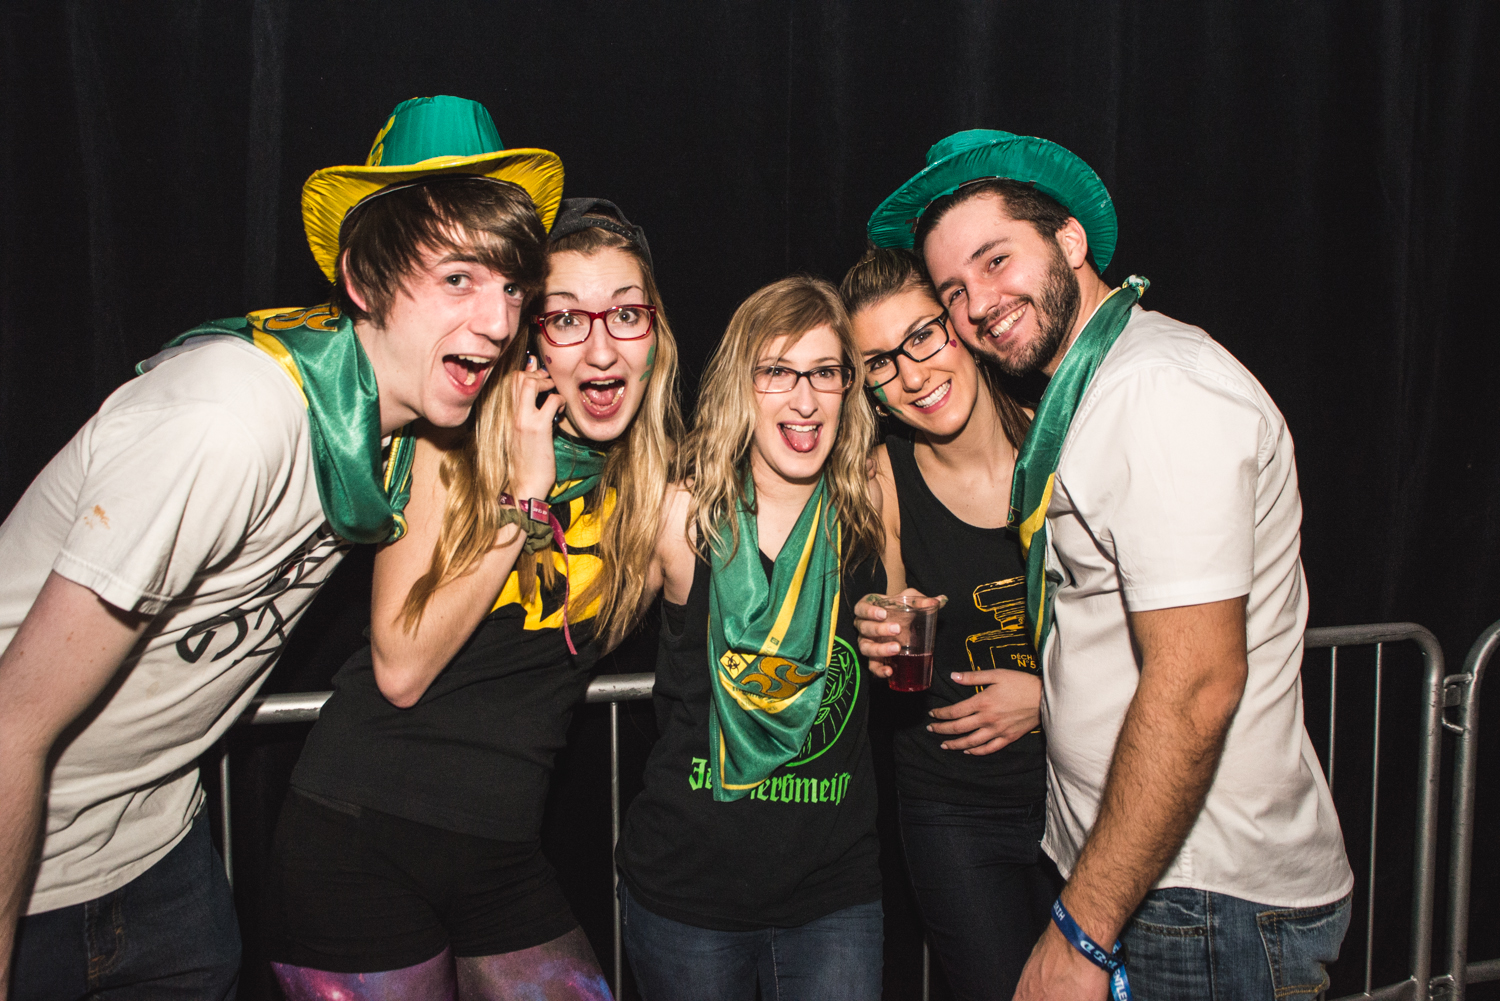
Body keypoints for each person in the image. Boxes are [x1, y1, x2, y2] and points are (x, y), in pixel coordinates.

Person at [0, 94, 561, 1000]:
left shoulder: (390, 434)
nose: (500, 321)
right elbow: (8, 725)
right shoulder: (231, 418)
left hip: (163, 866)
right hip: (24, 878)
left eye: (511, 285)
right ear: (363, 280)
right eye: (459, 278)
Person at [858, 129, 1354, 1001]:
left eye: (996, 259)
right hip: (1151, 885)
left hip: (1198, 900)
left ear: (1072, 242)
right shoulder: (1091, 397)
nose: (981, 303)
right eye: (956, 289)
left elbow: (1197, 683)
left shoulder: (1157, 391)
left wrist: (1080, 930)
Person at [267, 198, 681, 1000]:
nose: (600, 346)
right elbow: (400, 667)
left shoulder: (648, 492)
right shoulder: (447, 447)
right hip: (357, 839)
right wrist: (524, 506)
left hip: (500, 853)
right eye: (566, 318)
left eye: (626, 314)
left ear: (654, 333)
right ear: (531, 341)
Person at [615, 276, 893, 1001]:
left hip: (833, 899)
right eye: (778, 371)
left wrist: (902, 628)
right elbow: (582, 634)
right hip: (687, 898)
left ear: (847, 388)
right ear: (743, 384)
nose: (805, 399)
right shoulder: (684, 513)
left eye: (825, 372)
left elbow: (901, 639)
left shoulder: (870, 506)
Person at [840, 245, 1051, 1000]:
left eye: (923, 337)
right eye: (880, 364)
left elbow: (1144, 634)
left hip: (1082, 790)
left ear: (962, 324)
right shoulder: (881, 475)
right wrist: (885, 623)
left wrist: (1045, 697)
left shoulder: (1059, 439)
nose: (913, 375)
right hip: (952, 810)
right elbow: (897, 604)